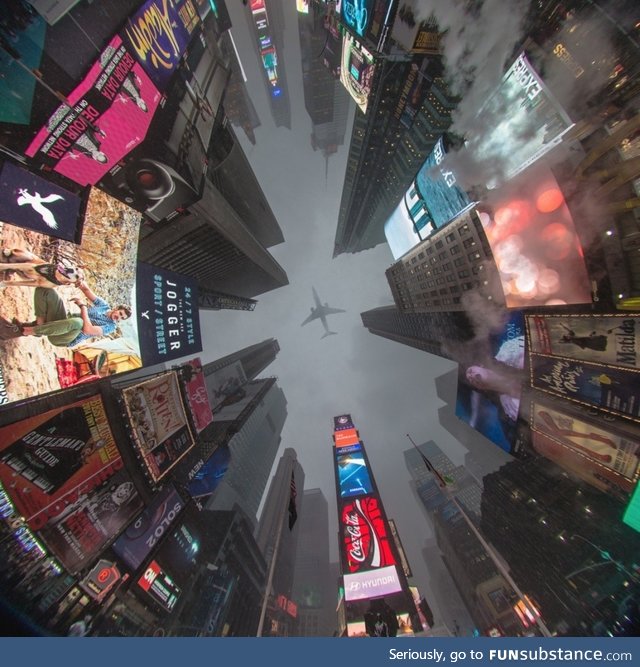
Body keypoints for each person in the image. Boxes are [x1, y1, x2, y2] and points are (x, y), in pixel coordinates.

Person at [17, 279, 131, 348]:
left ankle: (31, 331)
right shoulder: (104, 306)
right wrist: (79, 281)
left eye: (121, 318)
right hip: (62, 322)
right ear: (116, 308)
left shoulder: (110, 327)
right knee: (46, 290)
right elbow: (87, 291)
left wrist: (83, 307)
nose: (118, 317)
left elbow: (88, 330)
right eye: (120, 313)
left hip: (64, 338)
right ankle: (39, 325)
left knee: (79, 323)